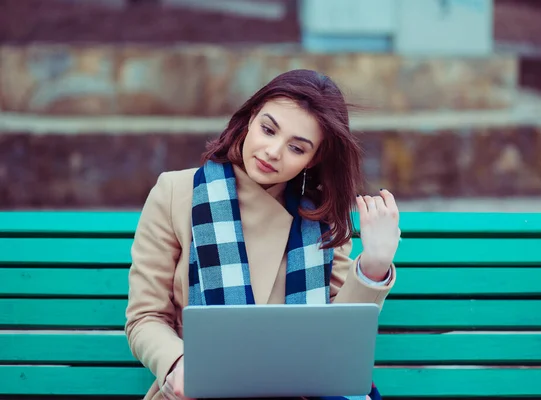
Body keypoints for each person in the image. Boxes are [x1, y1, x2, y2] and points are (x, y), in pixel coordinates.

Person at [125, 69, 401, 400]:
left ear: (315, 159)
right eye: (268, 130)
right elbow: (145, 318)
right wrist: (180, 364)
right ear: (250, 117)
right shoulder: (176, 192)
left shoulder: (322, 217)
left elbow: (335, 340)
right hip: (200, 389)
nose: (273, 151)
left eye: (297, 148)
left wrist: (374, 264)